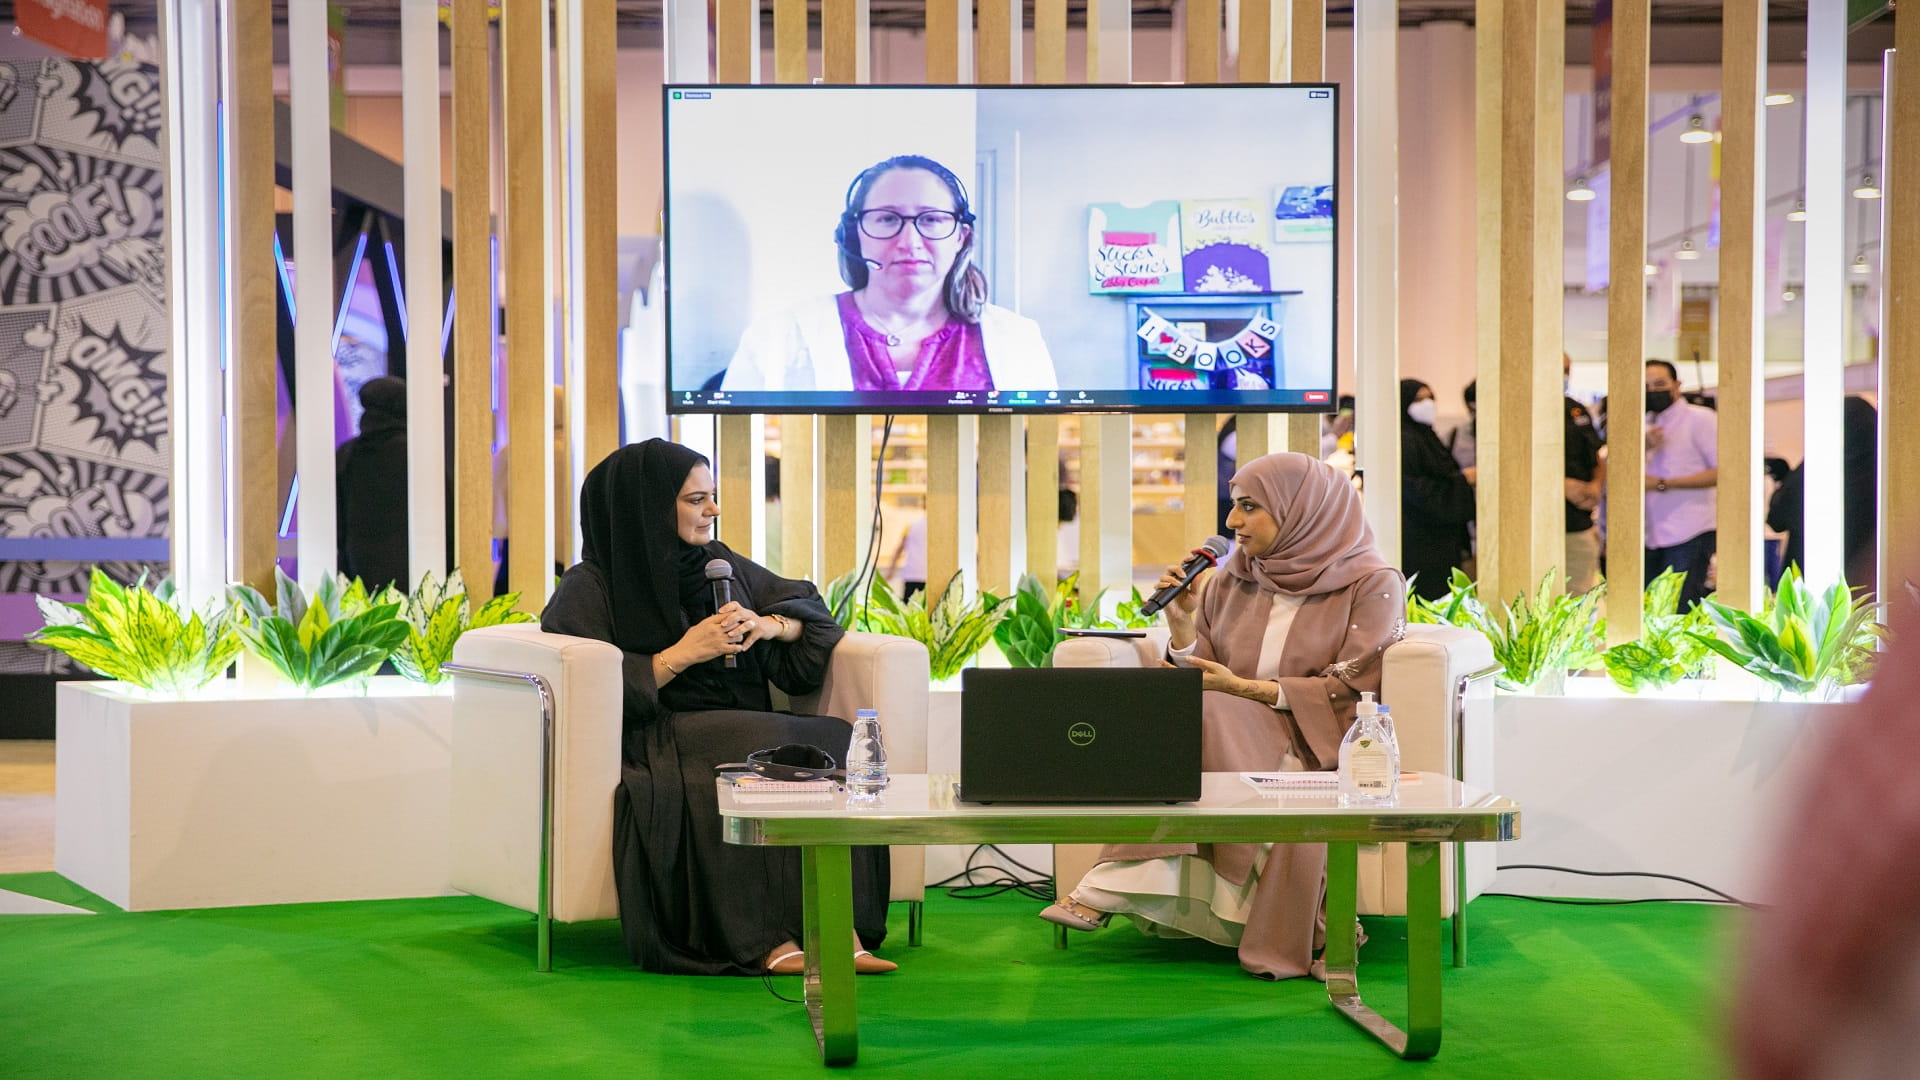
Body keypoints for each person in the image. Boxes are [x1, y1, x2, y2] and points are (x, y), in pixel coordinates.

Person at [1038, 452, 1407, 980]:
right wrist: (1182, 623)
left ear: (1305, 510)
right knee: (1195, 708)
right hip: (1228, 721)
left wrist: (1249, 691)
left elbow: (1358, 685)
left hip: (1322, 735)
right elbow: (1207, 668)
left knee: (1205, 710)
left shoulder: (1372, 582)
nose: (1232, 522)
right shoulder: (1235, 577)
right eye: (1234, 505)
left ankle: (1105, 886)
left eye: (1250, 507)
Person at [540, 439, 895, 976]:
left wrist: (770, 626)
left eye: (712, 497)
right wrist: (682, 655)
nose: (713, 511)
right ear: (648, 507)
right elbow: (591, 693)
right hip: (661, 736)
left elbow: (812, 616)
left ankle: (837, 926)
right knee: (746, 747)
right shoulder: (591, 585)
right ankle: (764, 939)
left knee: (834, 736)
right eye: (695, 499)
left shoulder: (717, 565)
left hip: (741, 724)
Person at [721, 155, 1056, 393]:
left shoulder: (1018, 340)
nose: (909, 242)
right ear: (855, 235)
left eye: (931, 219)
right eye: (886, 219)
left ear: (960, 237)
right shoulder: (778, 336)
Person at [1765, 396, 1879, 594]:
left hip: (1810, 573)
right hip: (1867, 577)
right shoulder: (1887, 473)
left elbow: (1778, 517)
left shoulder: (1818, 465)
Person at [1643, 360, 1718, 609]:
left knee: (1681, 608)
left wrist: (1664, 484)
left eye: (1660, 384)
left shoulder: (1701, 419)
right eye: (1646, 386)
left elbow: (1723, 471)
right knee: (1651, 611)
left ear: (1676, 385)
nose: (1653, 391)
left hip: (1690, 529)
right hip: (1649, 533)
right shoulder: (1644, 423)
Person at [1399, 379, 1476, 601]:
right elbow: (1415, 489)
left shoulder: (1426, 436)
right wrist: (1463, 480)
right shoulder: (1404, 440)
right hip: (1420, 542)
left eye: (1431, 397)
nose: (1428, 404)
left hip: (1441, 542)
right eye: (1419, 399)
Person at [335, 376, 411, 593]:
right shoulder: (417, 455)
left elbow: (336, 520)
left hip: (358, 571)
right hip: (412, 571)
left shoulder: (347, 454)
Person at [1561, 354, 1606, 595]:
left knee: (1580, 597)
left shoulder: (1575, 410)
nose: (1563, 376)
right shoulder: (1515, 411)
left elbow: (1596, 456)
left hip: (1578, 524)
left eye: (1567, 369)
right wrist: (1561, 486)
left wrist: (1596, 486)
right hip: (1533, 528)